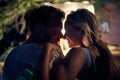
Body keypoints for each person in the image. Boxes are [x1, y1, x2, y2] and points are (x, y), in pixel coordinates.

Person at [47, 9, 120, 80]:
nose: (64, 36)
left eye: (66, 30)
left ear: (81, 30)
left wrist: (47, 49)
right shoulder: (97, 51)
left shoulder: (78, 52)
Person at [2, 5, 65, 80]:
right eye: (56, 30)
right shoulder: (52, 54)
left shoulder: (13, 53)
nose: (61, 36)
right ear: (40, 27)